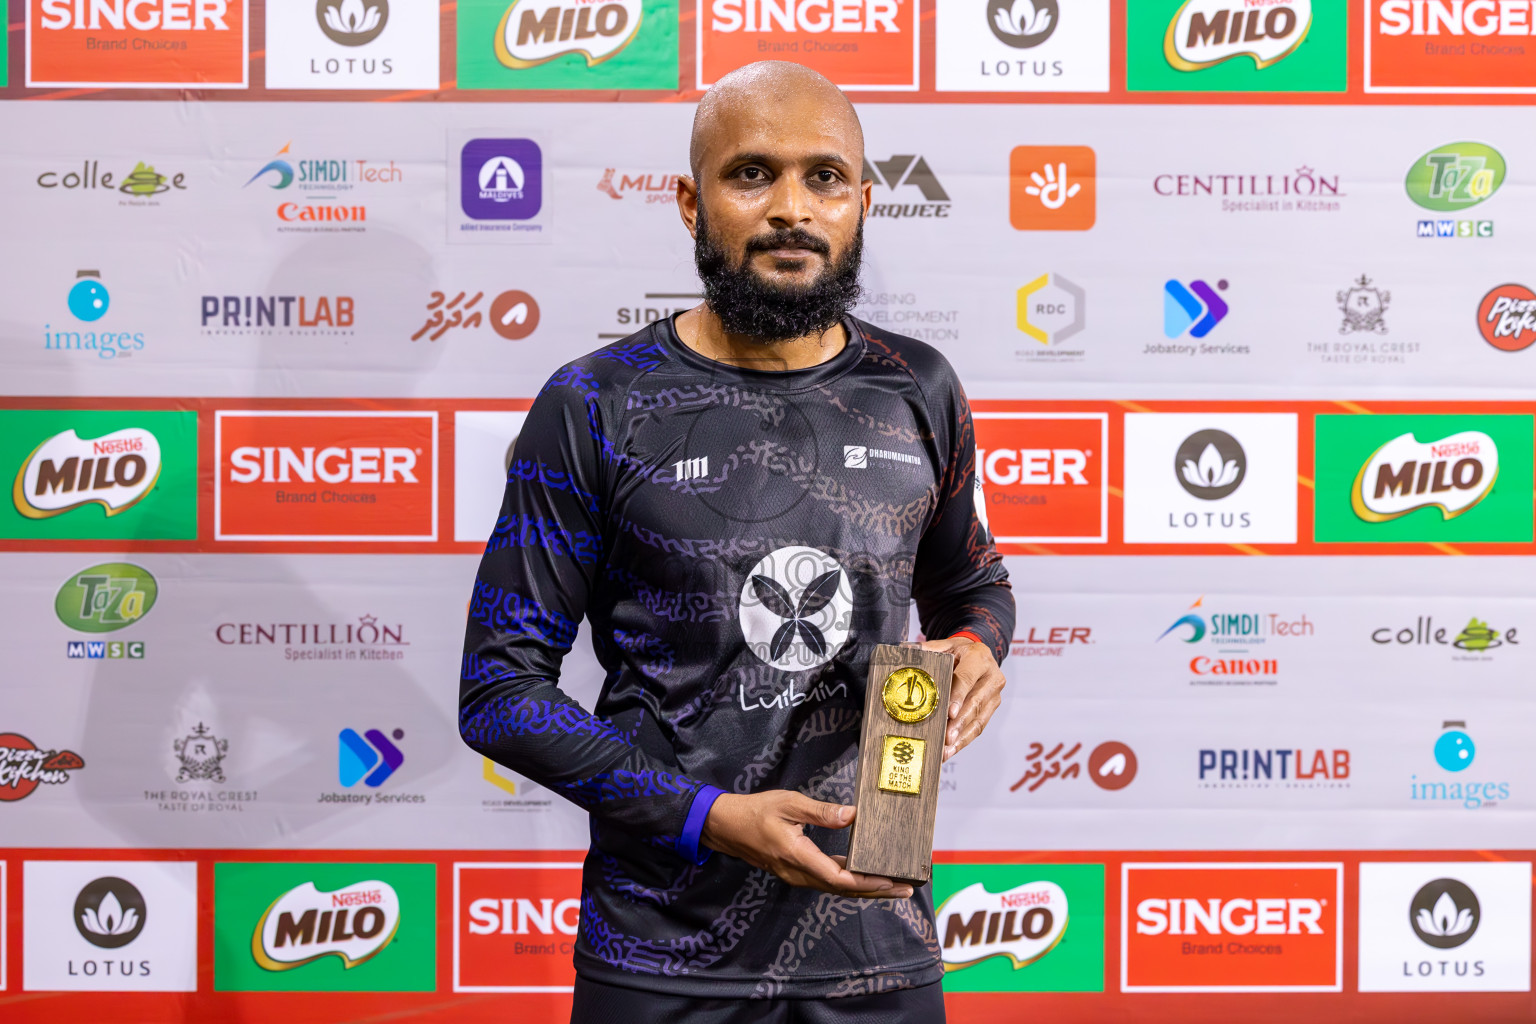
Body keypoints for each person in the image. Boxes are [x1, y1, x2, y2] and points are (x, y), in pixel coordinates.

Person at [459, 60, 1014, 1023]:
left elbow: (974, 588)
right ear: (689, 200)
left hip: (878, 950)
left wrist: (975, 648)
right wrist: (708, 818)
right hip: (660, 958)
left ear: (864, 203)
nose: (792, 208)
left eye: (824, 177)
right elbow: (499, 694)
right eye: (751, 174)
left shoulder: (920, 388)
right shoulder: (598, 403)